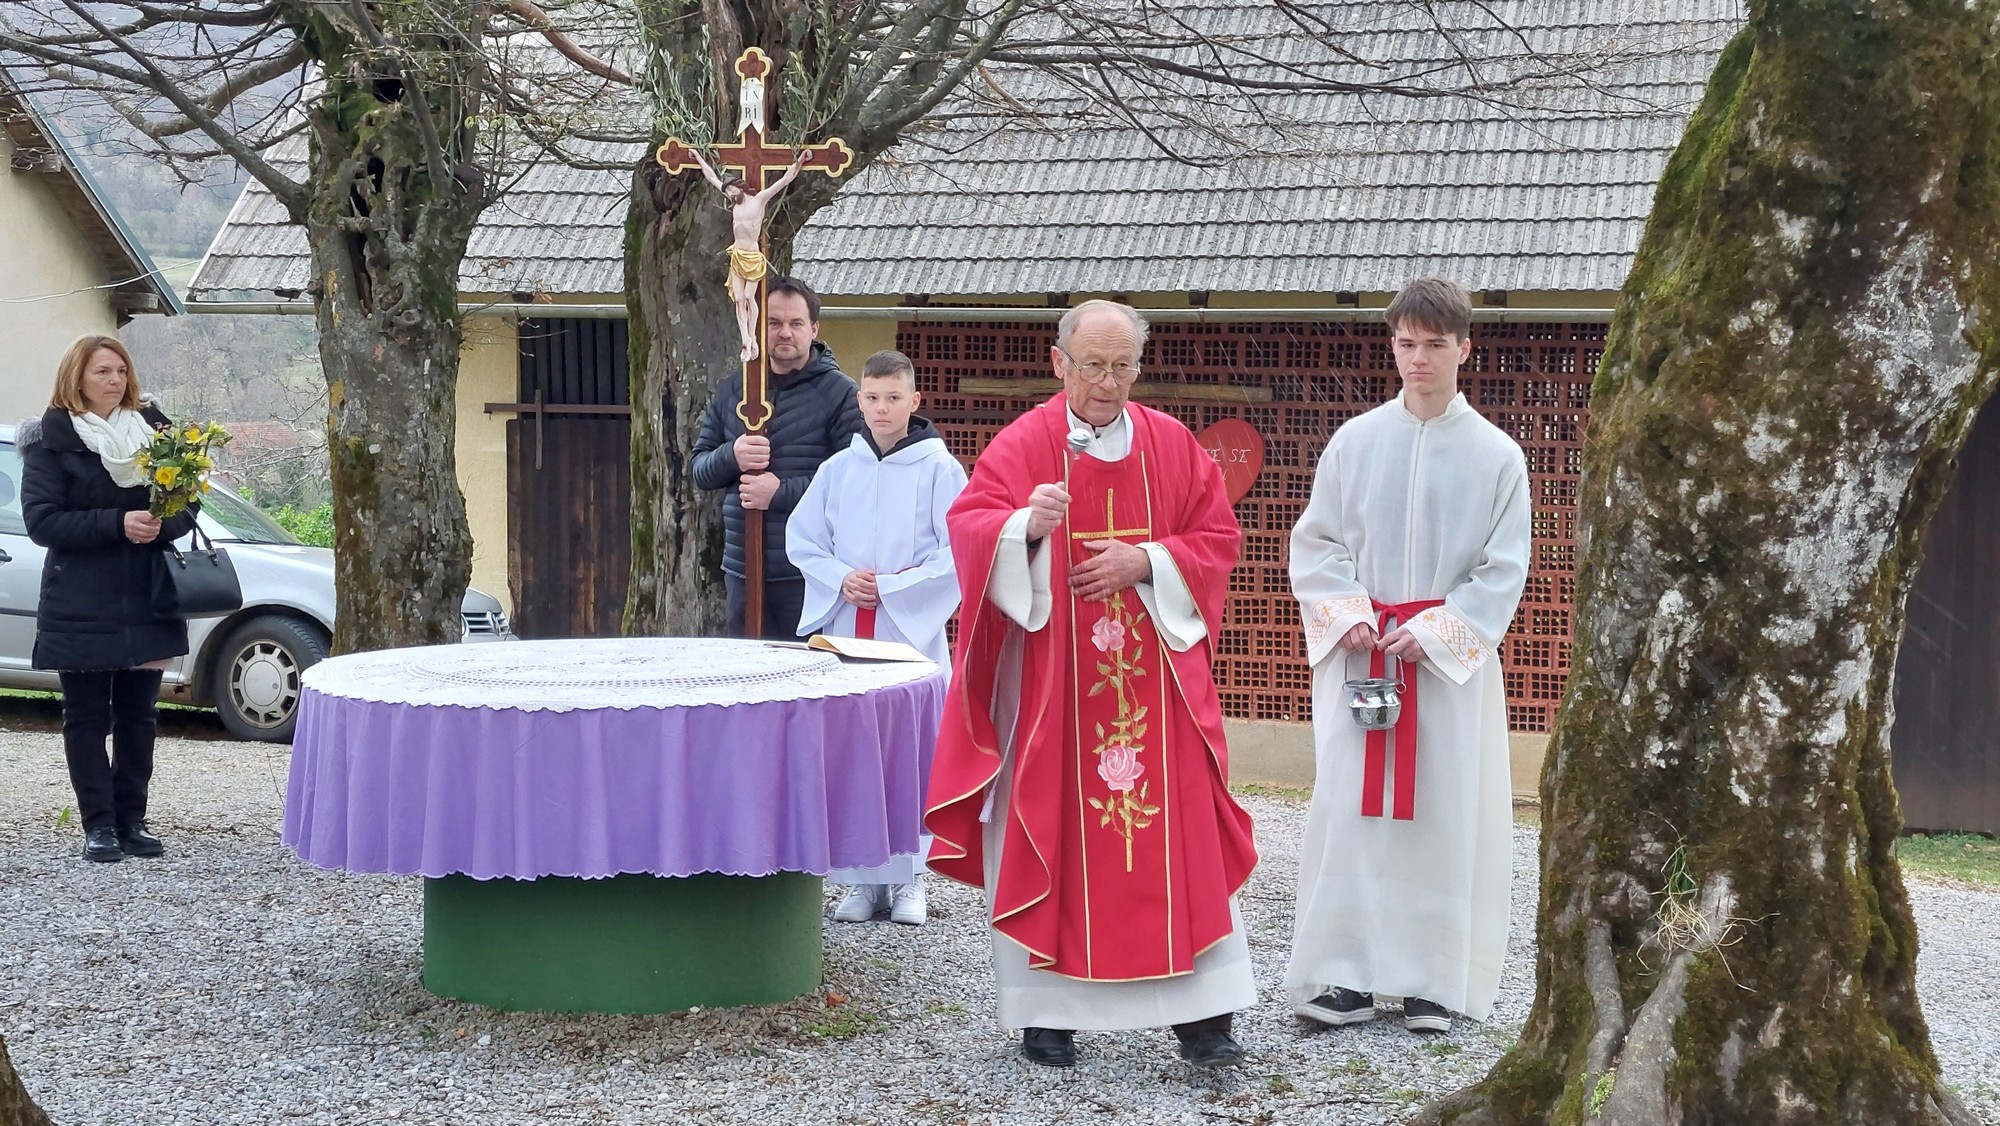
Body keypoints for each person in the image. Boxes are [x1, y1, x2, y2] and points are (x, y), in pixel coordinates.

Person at [924, 300, 1259, 1070]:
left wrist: (1148, 561)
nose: (1108, 383)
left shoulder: (1172, 444)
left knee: (1179, 837)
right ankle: (1049, 1016)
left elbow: (1216, 539)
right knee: (1050, 826)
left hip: (1158, 696)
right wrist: (1024, 528)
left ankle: (1203, 1019)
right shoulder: (1023, 443)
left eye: (1123, 366)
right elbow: (971, 528)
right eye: (1093, 366)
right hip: (1055, 694)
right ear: (1059, 363)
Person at [1284, 278, 1531, 1035]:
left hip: (1446, 669)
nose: (1418, 358)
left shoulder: (1497, 456)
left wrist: (1438, 631)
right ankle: (1347, 977)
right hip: (1364, 659)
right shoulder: (1355, 442)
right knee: (1349, 813)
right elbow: (1317, 543)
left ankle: (1432, 982)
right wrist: (1349, 612)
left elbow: (1503, 568)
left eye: (1434, 344)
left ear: (1465, 348)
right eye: (1406, 343)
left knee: (1443, 815)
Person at [787, 349, 968, 926]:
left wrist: (892, 588)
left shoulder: (941, 471)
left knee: (908, 751)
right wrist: (842, 578)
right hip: (847, 623)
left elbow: (958, 552)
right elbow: (803, 539)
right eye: (872, 397)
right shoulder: (838, 470)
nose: (882, 408)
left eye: (894, 397)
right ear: (858, 400)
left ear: (915, 401)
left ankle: (912, 879)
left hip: (907, 631)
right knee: (853, 750)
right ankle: (863, 882)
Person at [19, 335, 199, 863]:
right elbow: (42, 522)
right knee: (87, 717)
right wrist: (117, 522)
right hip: (80, 598)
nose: (115, 380)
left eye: (121, 371)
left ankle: (132, 821)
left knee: (140, 716)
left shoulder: (155, 431)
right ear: (76, 378)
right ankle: (98, 826)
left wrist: (161, 525)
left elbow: (188, 504)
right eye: (102, 371)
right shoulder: (51, 438)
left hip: (146, 594)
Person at [691, 276, 865, 638]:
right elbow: (699, 470)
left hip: (809, 571)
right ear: (758, 328)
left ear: (814, 329)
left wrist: (780, 492)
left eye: (796, 323)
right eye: (773, 322)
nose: (785, 332)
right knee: (746, 668)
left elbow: (854, 483)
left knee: (805, 668)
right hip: (743, 569)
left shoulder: (841, 395)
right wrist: (732, 455)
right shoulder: (734, 390)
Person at [684, 147, 807, 362]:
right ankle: (746, 340)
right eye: (729, 193)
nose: (730, 196)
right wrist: (698, 158)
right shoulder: (734, 203)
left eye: (733, 191)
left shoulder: (758, 200)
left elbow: (785, 180)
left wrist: (801, 161)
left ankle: (754, 337)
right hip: (737, 255)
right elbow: (711, 177)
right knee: (739, 299)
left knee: (750, 297)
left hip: (752, 257)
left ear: (740, 188)